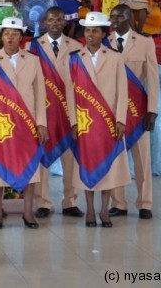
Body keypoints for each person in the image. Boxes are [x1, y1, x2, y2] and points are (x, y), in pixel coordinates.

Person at [0, 17, 48, 230]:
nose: (10, 37)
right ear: (1, 37)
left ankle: (28, 212)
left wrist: (42, 123)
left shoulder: (33, 60)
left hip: (28, 123)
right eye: (6, 33)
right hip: (1, 123)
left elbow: (40, 94)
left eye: (15, 34)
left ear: (21, 37)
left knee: (30, 167)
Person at [66, 12, 130, 228]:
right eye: (87, 30)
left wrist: (121, 119)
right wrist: (73, 121)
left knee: (108, 166)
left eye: (95, 31)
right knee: (87, 164)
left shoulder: (115, 58)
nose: (90, 34)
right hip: (85, 123)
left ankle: (105, 209)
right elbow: (69, 94)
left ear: (104, 33)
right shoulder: (75, 59)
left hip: (108, 121)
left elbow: (123, 92)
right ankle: (90, 209)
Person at [26, 7, 84, 219]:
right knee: (43, 158)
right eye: (51, 20)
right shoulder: (32, 47)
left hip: (69, 111)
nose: (55, 23)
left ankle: (70, 201)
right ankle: (43, 202)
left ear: (65, 23)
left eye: (59, 19)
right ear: (44, 23)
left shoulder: (77, 47)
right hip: (44, 110)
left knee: (71, 159)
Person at [107, 4, 158, 220]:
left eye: (121, 16)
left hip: (138, 110)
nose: (116, 20)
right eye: (113, 17)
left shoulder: (145, 42)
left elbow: (153, 77)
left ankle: (145, 203)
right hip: (111, 109)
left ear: (130, 18)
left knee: (142, 159)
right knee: (116, 158)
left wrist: (152, 111)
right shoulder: (104, 41)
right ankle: (119, 203)